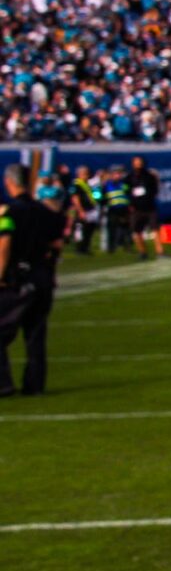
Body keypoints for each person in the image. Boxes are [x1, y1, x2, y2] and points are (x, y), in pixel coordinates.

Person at [0, 163, 66, 398]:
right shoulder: (46, 211)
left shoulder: (10, 212)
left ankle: (3, 385)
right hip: (43, 277)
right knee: (36, 335)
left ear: (9, 182)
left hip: (18, 279)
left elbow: (4, 245)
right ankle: (35, 385)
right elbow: (57, 245)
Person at [123, 155, 161, 259]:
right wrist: (130, 203)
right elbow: (125, 191)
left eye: (139, 162)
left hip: (149, 206)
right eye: (136, 162)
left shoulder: (149, 176)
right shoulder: (129, 177)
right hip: (136, 208)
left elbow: (155, 189)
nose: (138, 164)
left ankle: (160, 252)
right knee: (136, 231)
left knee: (155, 229)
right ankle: (142, 252)